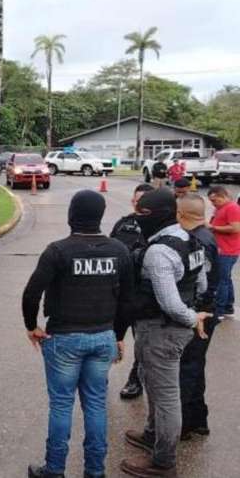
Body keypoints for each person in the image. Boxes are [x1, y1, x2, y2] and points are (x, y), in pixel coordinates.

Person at [22, 190, 134, 478]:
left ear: (71, 215)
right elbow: (127, 300)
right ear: (100, 216)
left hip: (64, 338)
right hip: (102, 336)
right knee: (96, 404)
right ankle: (95, 471)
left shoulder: (59, 251)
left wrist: (31, 326)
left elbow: (32, 293)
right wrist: (117, 335)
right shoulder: (119, 251)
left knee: (61, 404)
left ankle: (55, 469)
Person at [119, 187, 211, 478]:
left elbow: (170, 303)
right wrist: (192, 312)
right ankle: (152, 434)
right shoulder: (190, 240)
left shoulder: (159, 251)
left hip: (163, 330)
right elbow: (202, 285)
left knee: (166, 394)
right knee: (152, 382)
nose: (138, 218)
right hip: (170, 328)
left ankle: (163, 462)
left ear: (158, 215)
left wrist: (189, 316)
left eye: (143, 213)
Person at [176, 193, 220, 440]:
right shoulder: (208, 236)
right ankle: (198, 418)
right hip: (207, 309)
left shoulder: (195, 240)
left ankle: (182, 425)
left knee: (186, 368)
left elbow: (200, 283)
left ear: (180, 214)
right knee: (196, 365)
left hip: (198, 311)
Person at [110, 183, 154, 400]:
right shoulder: (123, 224)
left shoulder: (158, 228)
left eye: (145, 202)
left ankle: (135, 380)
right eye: (137, 201)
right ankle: (100, 376)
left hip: (143, 295)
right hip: (118, 294)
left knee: (142, 343)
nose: (140, 205)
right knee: (110, 337)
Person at [207, 185, 240, 319]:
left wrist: (212, 227)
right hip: (222, 249)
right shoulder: (220, 208)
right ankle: (228, 306)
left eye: (215, 200)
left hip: (227, 250)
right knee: (225, 279)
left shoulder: (232, 208)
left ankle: (219, 310)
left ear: (223, 196)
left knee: (221, 280)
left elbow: (235, 228)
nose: (213, 203)